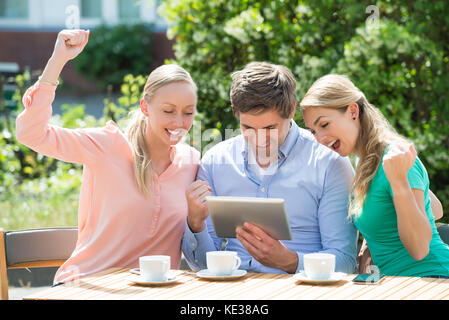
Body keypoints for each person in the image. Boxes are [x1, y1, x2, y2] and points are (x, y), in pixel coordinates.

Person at [15, 29, 200, 284]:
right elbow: (31, 134)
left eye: (188, 113)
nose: (179, 122)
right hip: (87, 284)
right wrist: (57, 61)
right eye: (169, 111)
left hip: (153, 291)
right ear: (145, 106)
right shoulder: (106, 146)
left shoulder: (191, 162)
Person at [182, 62, 358, 274]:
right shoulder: (215, 162)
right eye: (248, 128)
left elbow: (345, 261)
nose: (259, 140)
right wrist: (195, 224)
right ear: (236, 114)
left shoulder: (329, 163)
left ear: (291, 110)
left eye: (270, 128)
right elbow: (202, 265)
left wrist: (290, 261)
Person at [300, 74, 449, 278]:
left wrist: (400, 185)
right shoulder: (365, 162)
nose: (320, 139)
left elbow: (420, 249)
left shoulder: (396, 158)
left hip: (432, 279)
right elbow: (434, 208)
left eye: (324, 125)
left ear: (353, 111)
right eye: (313, 131)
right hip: (394, 283)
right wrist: (372, 237)